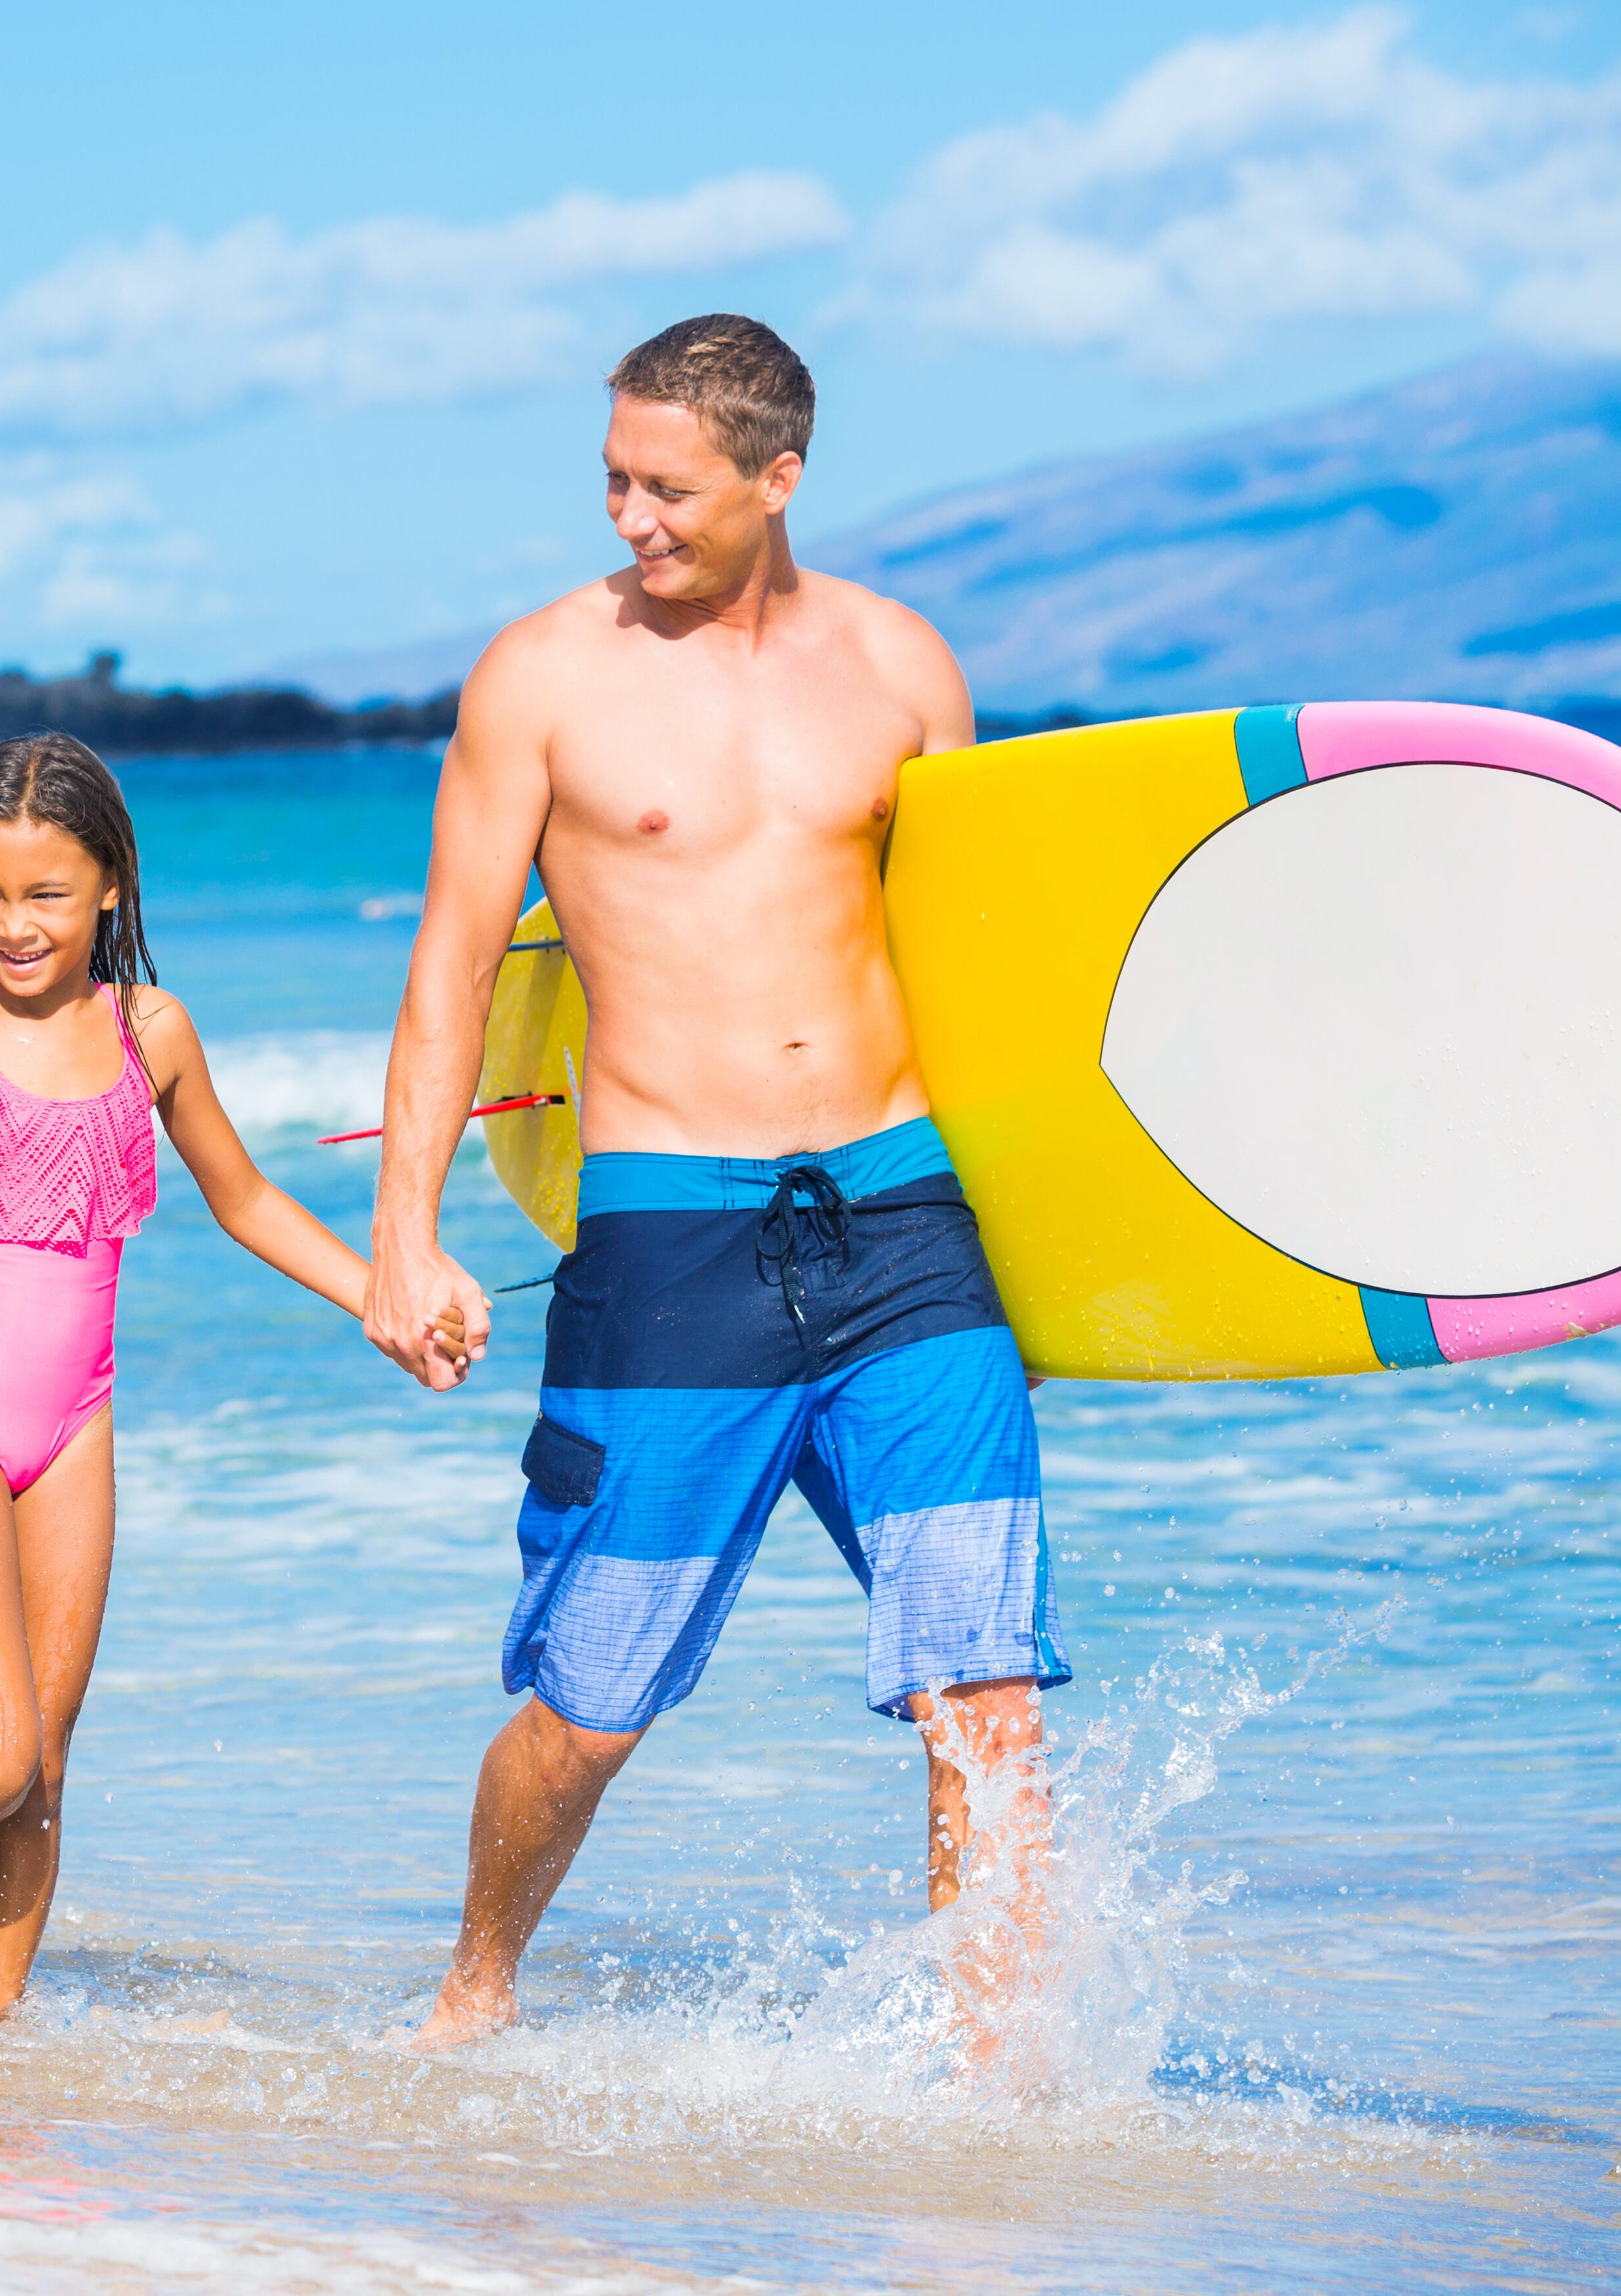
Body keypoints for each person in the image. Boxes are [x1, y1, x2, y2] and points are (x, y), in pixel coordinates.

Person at [363, 315, 1068, 2049]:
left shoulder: (903, 665)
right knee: (590, 1705)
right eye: (609, 477)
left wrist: (1041, 1257)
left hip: (906, 1220)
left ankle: (1008, 2091)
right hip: (670, 1234)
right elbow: (452, 965)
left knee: (983, 1692)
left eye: (662, 485)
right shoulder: (541, 677)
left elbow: (965, 967)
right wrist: (404, 1235)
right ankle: (475, 1985)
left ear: (777, 477)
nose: (627, 517)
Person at [0, 733, 457, 2026]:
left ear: (110, 883)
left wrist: (381, 1299)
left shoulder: (150, 1031)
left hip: (75, 1425)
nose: (11, 923)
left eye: (45, 893)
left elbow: (246, 1197)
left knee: (45, 1764)